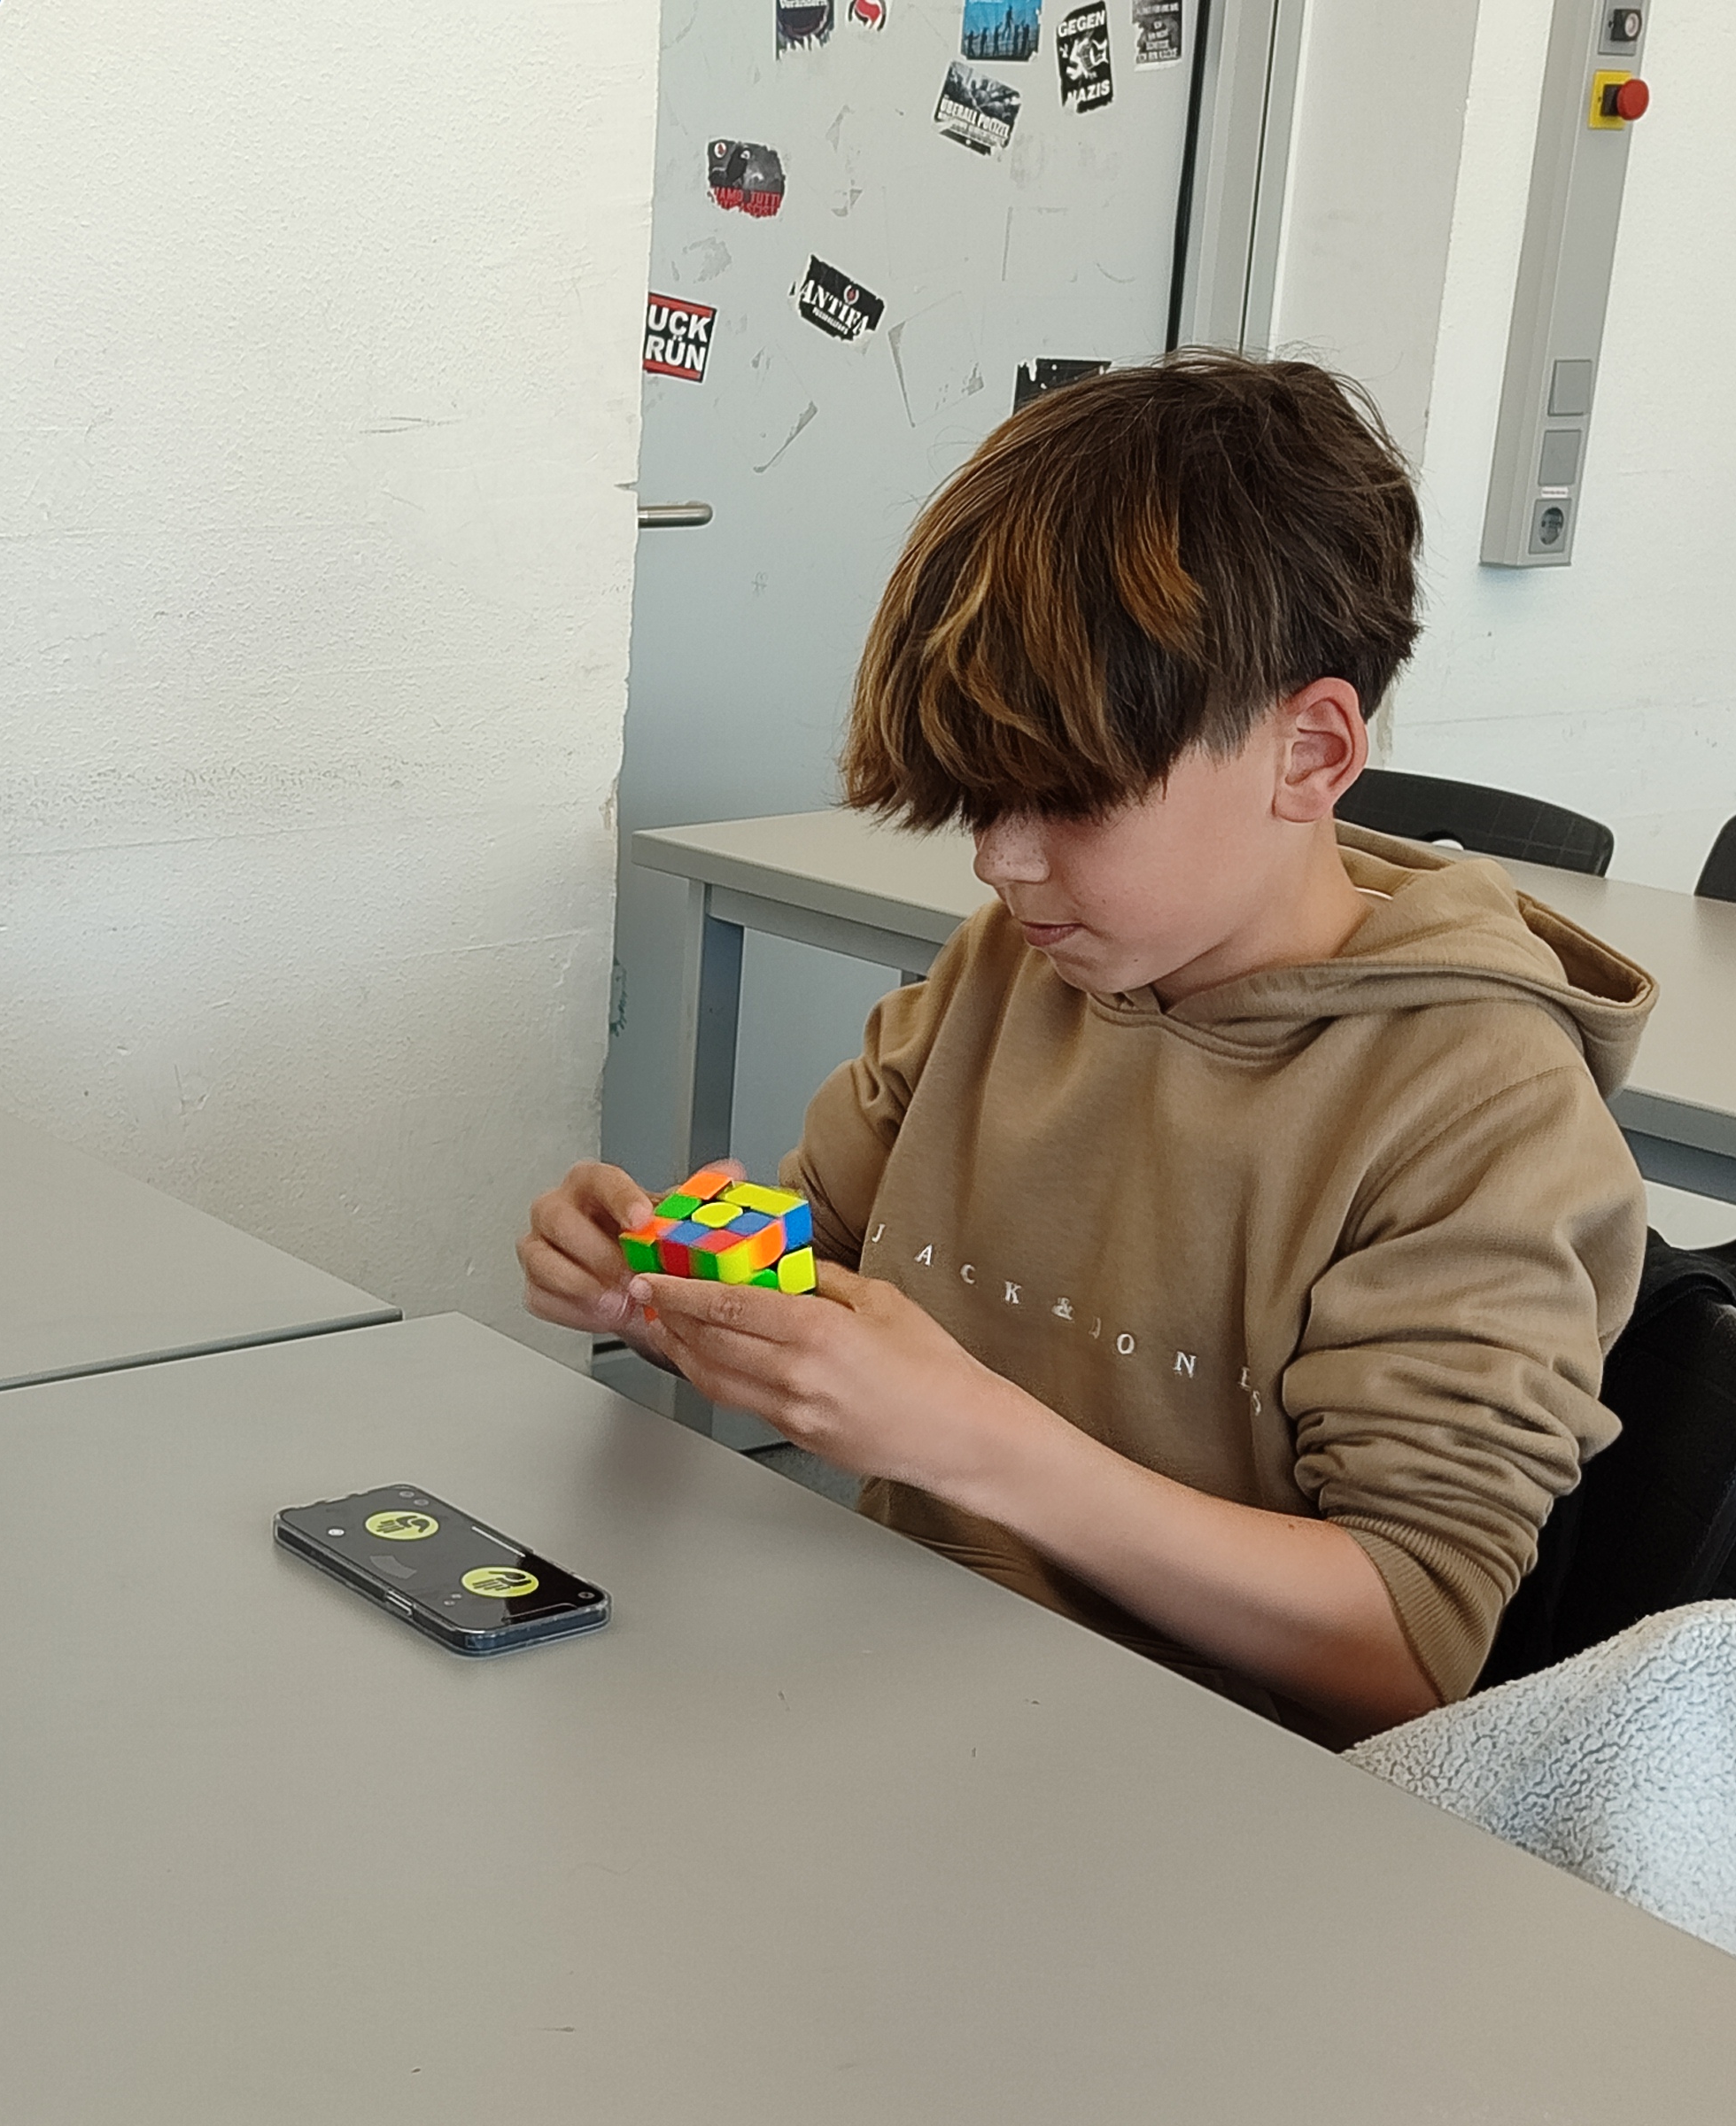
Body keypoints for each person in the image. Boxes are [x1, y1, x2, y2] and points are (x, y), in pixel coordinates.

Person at [523, 354, 1653, 1739]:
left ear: (1310, 752)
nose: (1000, 862)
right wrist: (659, 1270)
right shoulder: (1014, 966)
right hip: (893, 1682)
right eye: (980, 802)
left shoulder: (1481, 1104)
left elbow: (1408, 1641)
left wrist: (967, 1440)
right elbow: (809, 1242)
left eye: (1069, 800)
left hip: (1201, 1782)